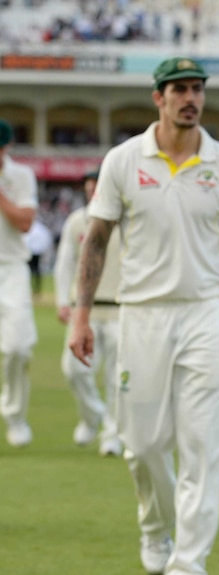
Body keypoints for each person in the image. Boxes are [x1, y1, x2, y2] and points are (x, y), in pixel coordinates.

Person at [68, 57, 219, 575]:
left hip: (205, 316)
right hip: (142, 316)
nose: (190, 97)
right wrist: (82, 317)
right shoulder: (124, 161)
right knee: (142, 445)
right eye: (179, 89)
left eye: (197, 88)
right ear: (159, 97)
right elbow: (97, 241)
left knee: (201, 446)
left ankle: (189, 561)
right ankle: (155, 526)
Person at [54, 167, 123, 456]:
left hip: (120, 309)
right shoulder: (76, 222)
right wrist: (62, 300)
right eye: (90, 185)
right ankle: (93, 415)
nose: (94, 191)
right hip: (87, 311)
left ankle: (112, 435)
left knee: (117, 379)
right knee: (74, 370)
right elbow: (65, 263)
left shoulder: (125, 222)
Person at [0, 118, 38, 448]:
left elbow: (25, 222)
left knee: (17, 348)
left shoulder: (21, 176)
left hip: (11, 267)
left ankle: (14, 415)